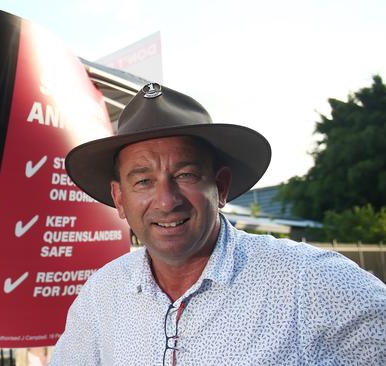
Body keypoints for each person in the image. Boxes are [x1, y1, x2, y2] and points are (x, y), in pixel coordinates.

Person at [50, 83, 386, 365]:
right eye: (143, 182)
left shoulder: (308, 280)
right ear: (120, 198)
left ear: (220, 187)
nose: (167, 201)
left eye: (185, 175)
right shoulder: (102, 294)